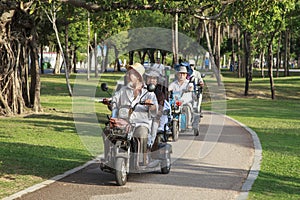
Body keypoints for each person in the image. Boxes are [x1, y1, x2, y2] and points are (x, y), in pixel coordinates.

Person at [111, 63, 158, 165]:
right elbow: (114, 101)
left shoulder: (149, 93)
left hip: (141, 123)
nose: (128, 76)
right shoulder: (123, 90)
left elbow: (155, 111)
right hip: (124, 123)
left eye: (130, 74)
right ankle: (109, 158)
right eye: (128, 74)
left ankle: (142, 159)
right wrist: (109, 102)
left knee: (142, 133)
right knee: (108, 133)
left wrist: (151, 105)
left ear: (138, 76)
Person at [145, 67, 169, 148]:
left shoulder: (159, 94)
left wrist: (155, 112)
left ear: (157, 81)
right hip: (140, 116)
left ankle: (150, 145)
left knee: (154, 127)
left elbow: (160, 108)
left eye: (154, 78)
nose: (152, 80)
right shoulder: (142, 90)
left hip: (153, 117)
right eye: (150, 78)